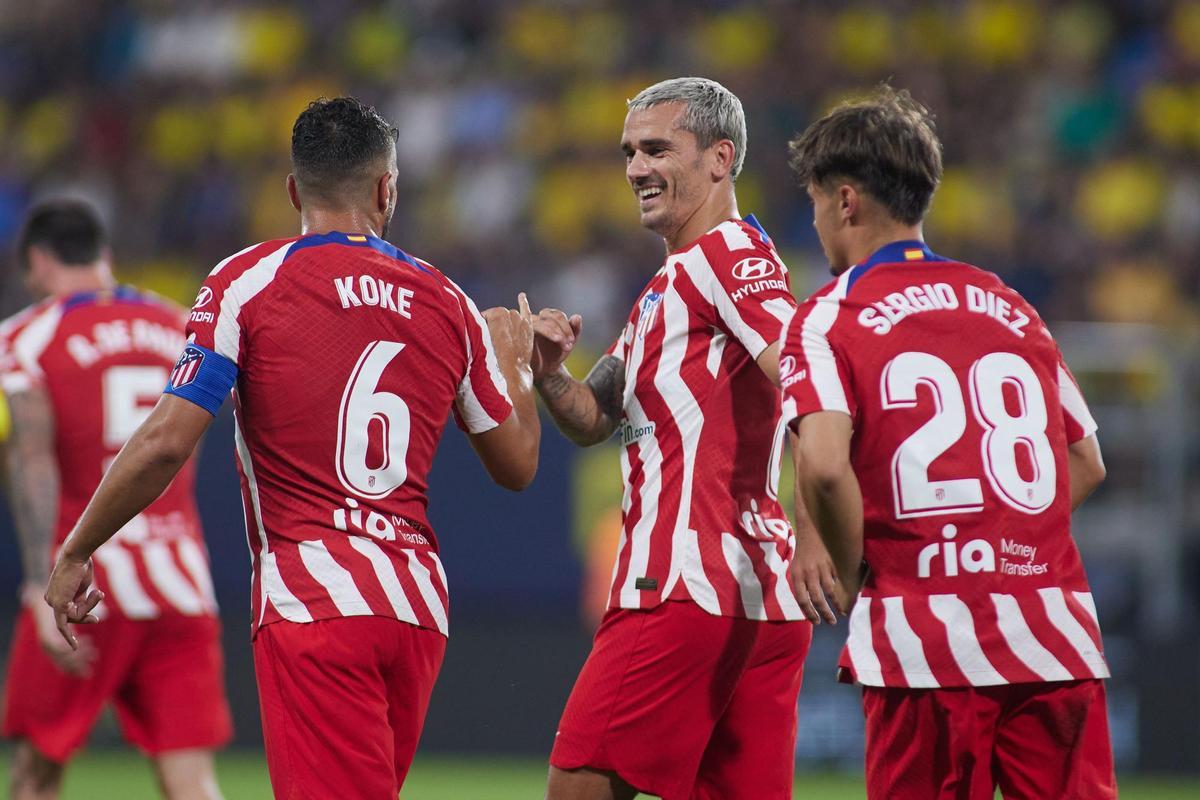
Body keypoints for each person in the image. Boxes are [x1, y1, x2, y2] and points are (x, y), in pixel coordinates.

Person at [42, 97, 541, 799]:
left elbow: (164, 443)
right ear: (385, 189)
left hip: (315, 597)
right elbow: (517, 465)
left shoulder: (247, 283)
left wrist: (76, 548)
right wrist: (521, 366)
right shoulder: (448, 300)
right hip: (416, 606)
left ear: (291, 190)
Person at [781, 86, 1116, 799]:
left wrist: (850, 568)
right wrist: (1003, 540)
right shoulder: (1010, 305)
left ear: (845, 202)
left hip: (925, 647)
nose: (814, 222)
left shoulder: (828, 318)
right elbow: (1085, 461)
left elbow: (825, 464)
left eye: (814, 203)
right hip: (1053, 634)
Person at [525, 77, 823, 800]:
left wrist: (819, 529)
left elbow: (810, 380)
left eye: (657, 148)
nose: (635, 168)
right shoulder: (669, 284)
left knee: (580, 787)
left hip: (686, 583)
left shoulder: (730, 259)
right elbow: (594, 417)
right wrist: (549, 375)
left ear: (721, 159)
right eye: (630, 151)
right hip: (757, 601)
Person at [0, 199, 232, 800]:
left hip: (79, 588)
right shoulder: (179, 324)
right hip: (181, 580)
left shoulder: (25, 339)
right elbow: (180, 448)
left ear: (38, 262)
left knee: (36, 774)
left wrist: (35, 585)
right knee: (192, 781)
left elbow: (30, 459)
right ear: (104, 254)